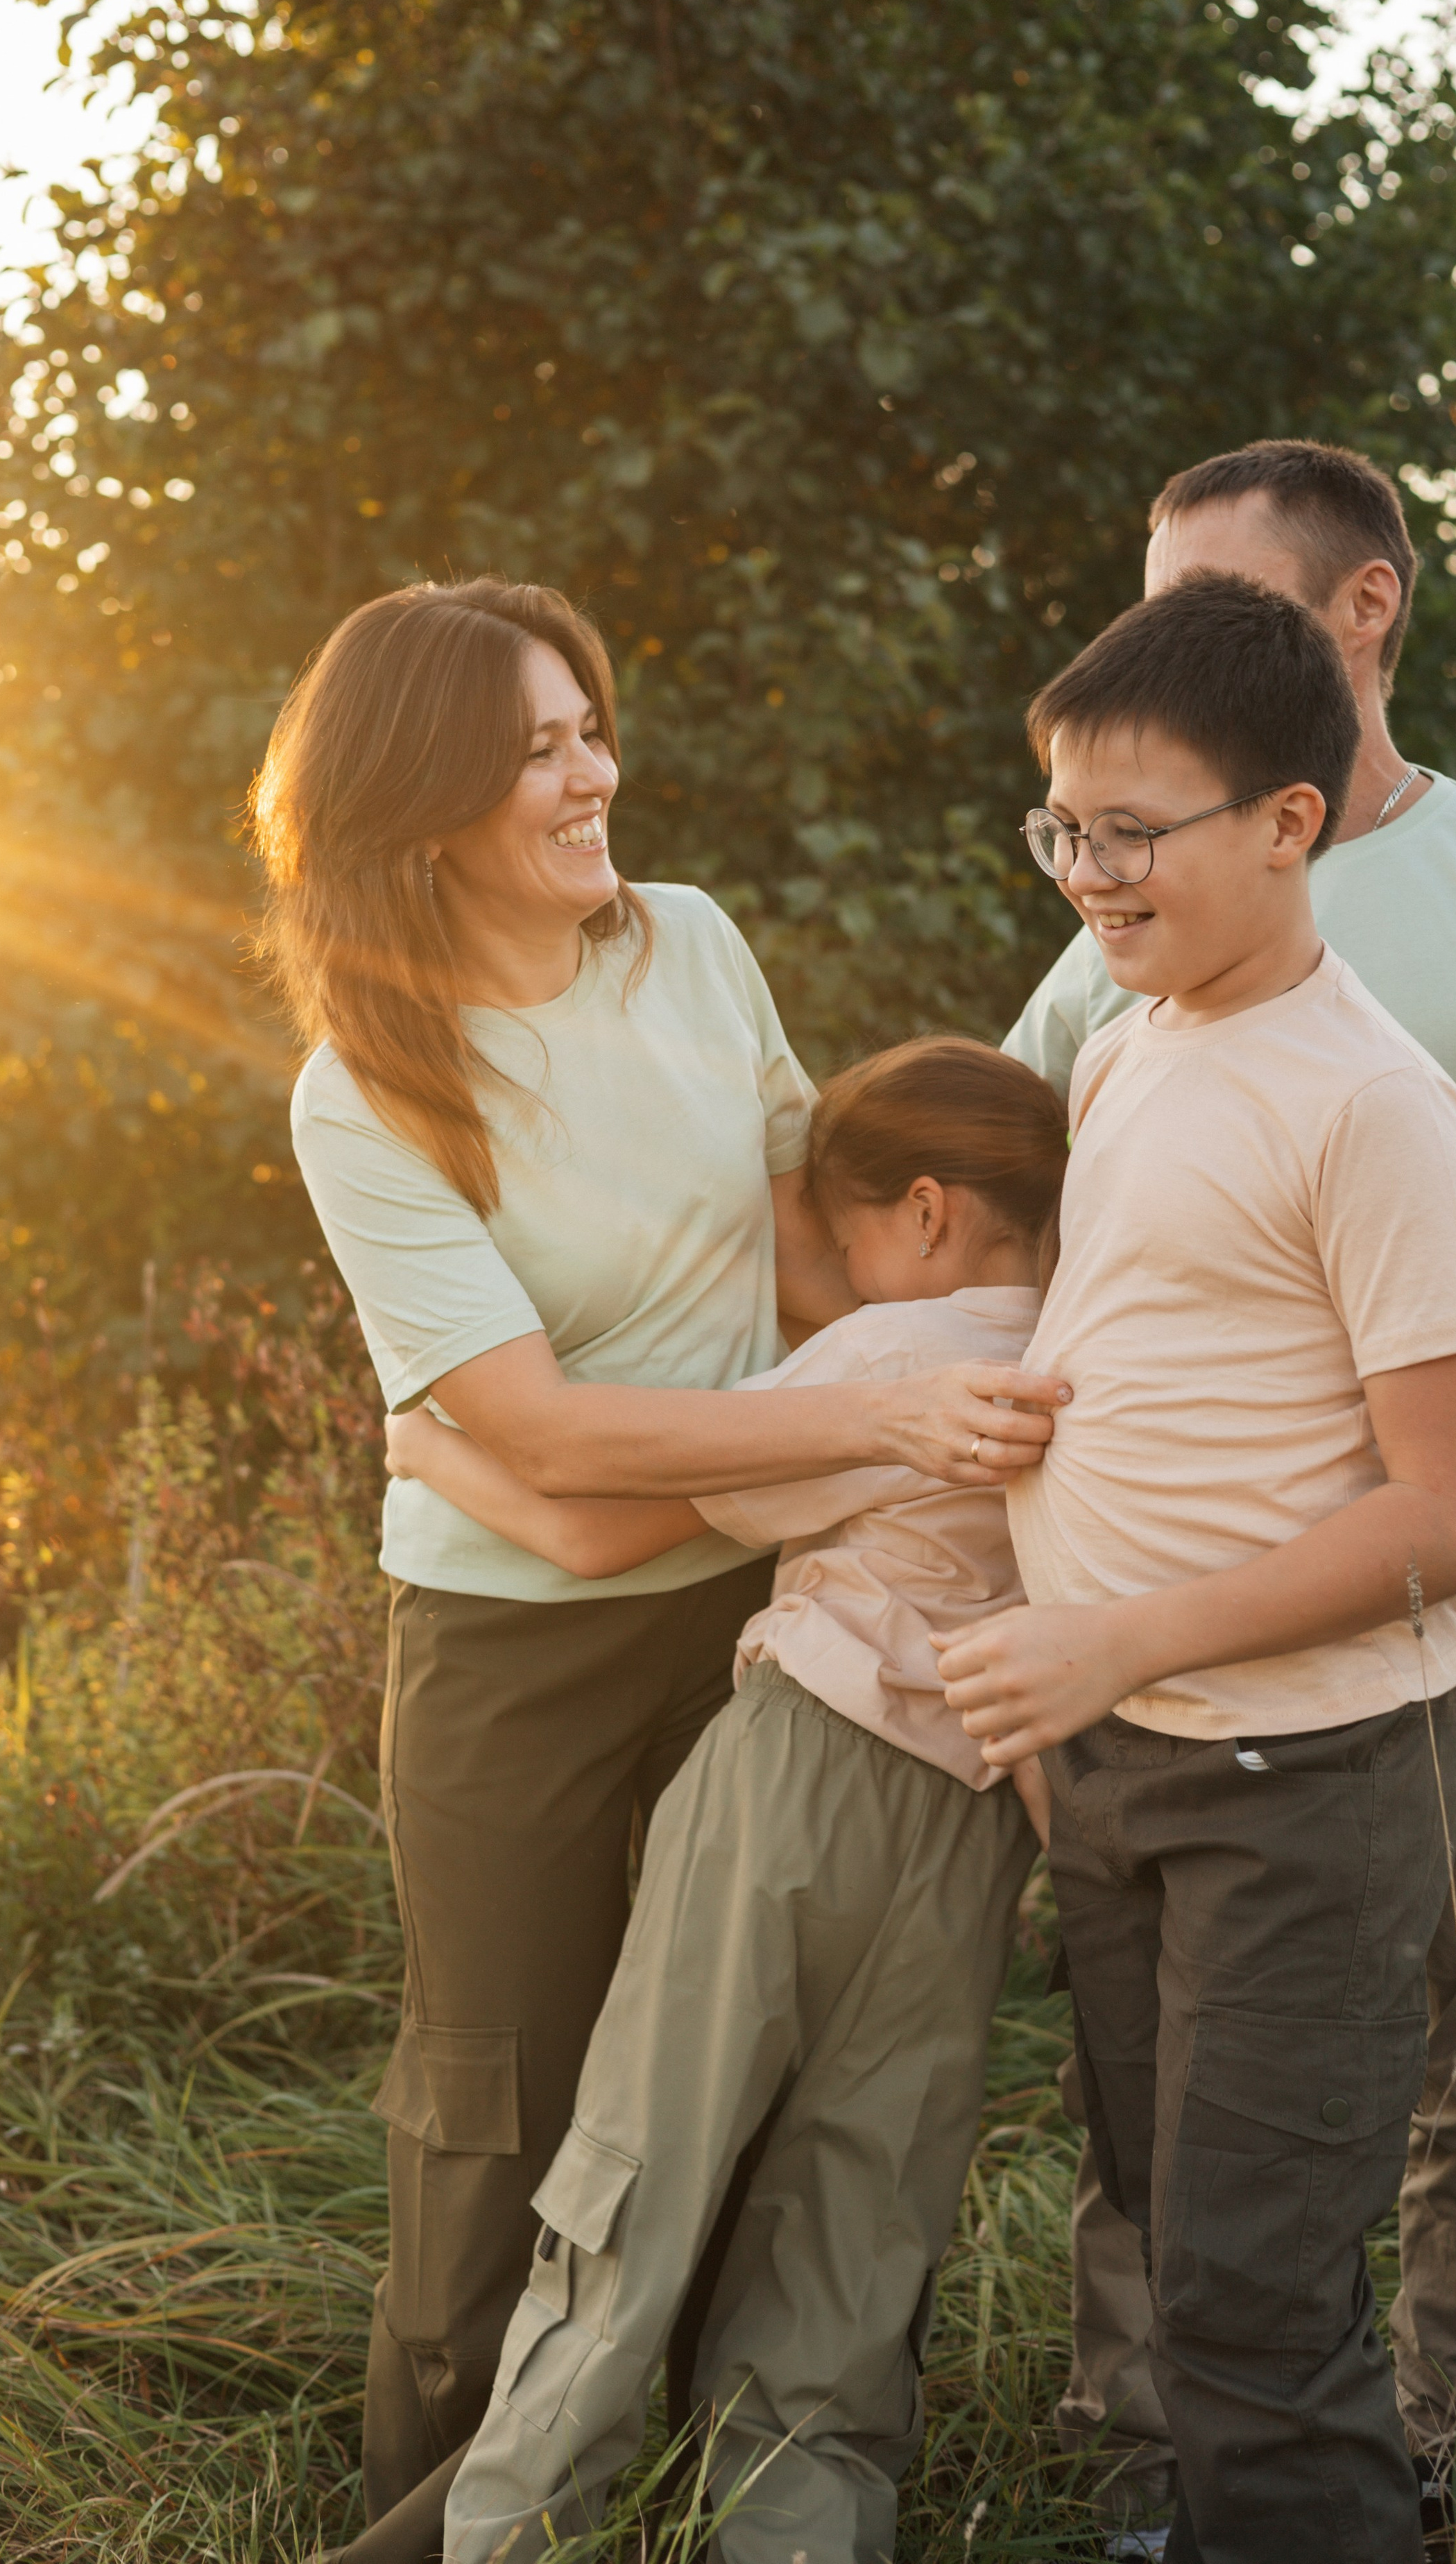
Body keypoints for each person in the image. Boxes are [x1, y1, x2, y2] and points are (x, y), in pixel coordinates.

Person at [256, 578, 1067, 2556]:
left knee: (729, 2098)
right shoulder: (368, 1086)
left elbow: (810, 1258)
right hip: (509, 1659)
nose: (594, 772)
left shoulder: (689, 947)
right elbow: (534, 1436)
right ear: (413, 799)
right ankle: (448, 2522)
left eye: (588, 726)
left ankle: (719, 2485)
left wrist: (665, 1469)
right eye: (536, 749)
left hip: (743, 1615)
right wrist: (808, 1440)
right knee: (506, 2121)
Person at [1004, 441, 1456, 2521]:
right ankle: (1176, 2469)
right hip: (1169, 1684)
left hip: (1441, 1628)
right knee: (1188, 2134)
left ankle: (1444, 2460)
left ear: (1357, 613)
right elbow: (1045, 1227)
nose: (1169, 640)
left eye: (1221, 600)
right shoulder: (1132, 970)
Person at [941, 571, 1456, 2561]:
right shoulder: (1129, 1038)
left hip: (1303, 1784)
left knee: (1257, 2305)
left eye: (1132, 833)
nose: (1087, 876)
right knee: (1165, 2234)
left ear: (1293, 820)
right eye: (1062, 831)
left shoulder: (1377, 1111)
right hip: (1121, 1759)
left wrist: (1113, 1632)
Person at [359, 1035, 1067, 2564]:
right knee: (859, 2209)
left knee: (640, 2169)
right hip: (974, 1818)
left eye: (837, 1227)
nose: (824, 1267)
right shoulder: (1091, 1349)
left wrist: (428, 1445)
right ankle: (796, 2529)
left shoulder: (892, 1359)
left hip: (796, 1782)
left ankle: (516, 2528)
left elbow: (596, 1535)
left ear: (928, 1213)